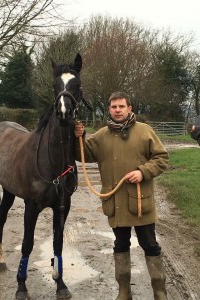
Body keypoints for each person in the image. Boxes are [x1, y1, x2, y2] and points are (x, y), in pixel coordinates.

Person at [74, 91, 169, 300]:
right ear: (109, 109)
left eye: (121, 107)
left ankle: (160, 292)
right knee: (120, 244)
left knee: (150, 245)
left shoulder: (145, 132)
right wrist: (78, 137)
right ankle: (124, 291)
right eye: (114, 107)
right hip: (115, 203)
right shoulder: (100, 136)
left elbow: (162, 158)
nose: (118, 110)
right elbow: (82, 154)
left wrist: (143, 171)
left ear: (129, 108)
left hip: (140, 202)